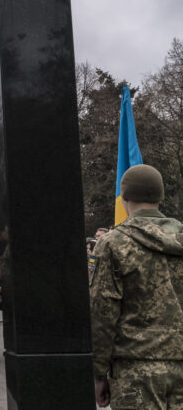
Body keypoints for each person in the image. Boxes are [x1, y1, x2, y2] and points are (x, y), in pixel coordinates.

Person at [91, 164, 183, 409]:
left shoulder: (113, 244)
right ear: (160, 196)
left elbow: (103, 312)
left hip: (135, 368)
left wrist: (99, 373)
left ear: (125, 198)